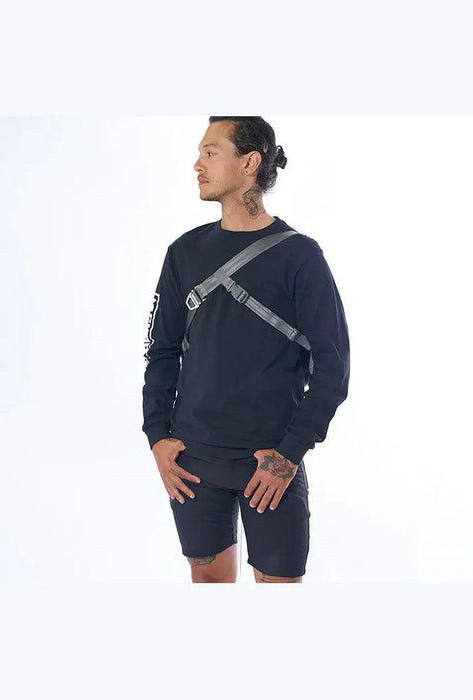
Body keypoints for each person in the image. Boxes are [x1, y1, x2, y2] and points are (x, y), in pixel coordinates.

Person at [142, 116, 350, 583]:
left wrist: (288, 456)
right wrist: (157, 436)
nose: (197, 164)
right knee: (209, 585)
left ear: (249, 162)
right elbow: (161, 352)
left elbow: (334, 369)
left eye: (210, 152)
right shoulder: (184, 252)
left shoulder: (300, 256)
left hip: (269, 463)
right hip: (193, 461)